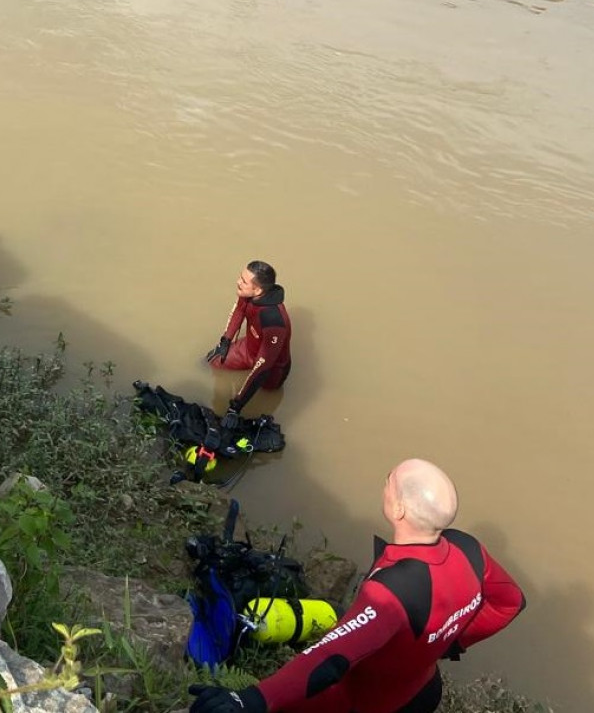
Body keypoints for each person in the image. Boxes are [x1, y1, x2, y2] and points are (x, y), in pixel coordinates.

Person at [189, 459, 526, 713]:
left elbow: (329, 659)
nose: (384, 485)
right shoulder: (468, 548)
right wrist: (447, 640)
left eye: (388, 482)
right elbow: (510, 602)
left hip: (365, 703)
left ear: (398, 508)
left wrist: (249, 699)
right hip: (423, 694)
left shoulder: (390, 592)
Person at [206, 260, 291, 414]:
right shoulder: (247, 293)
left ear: (257, 290)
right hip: (248, 348)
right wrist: (225, 341)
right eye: (240, 277)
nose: (238, 282)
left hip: (271, 367)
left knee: (265, 398)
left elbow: (262, 369)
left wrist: (236, 406)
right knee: (211, 362)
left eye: (243, 281)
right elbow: (239, 311)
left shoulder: (274, 322)